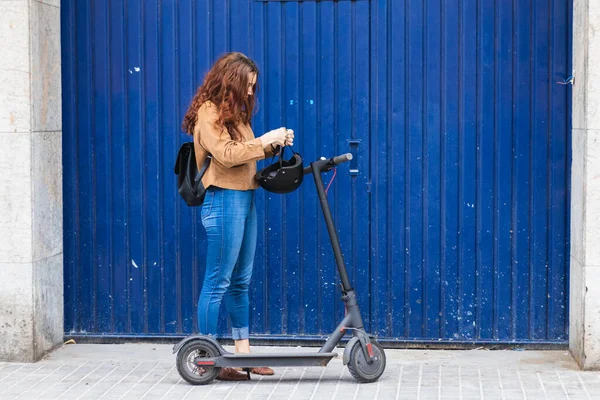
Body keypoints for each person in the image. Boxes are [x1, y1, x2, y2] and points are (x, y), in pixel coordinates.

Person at [181, 52, 294, 381]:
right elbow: (227, 155)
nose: (250, 92)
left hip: (245, 199)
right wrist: (263, 141)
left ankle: (242, 356)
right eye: (247, 85)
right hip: (222, 199)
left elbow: (247, 155)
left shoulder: (236, 114)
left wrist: (273, 145)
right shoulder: (208, 113)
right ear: (231, 80)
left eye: (253, 87)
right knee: (217, 283)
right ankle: (208, 356)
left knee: (239, 282)